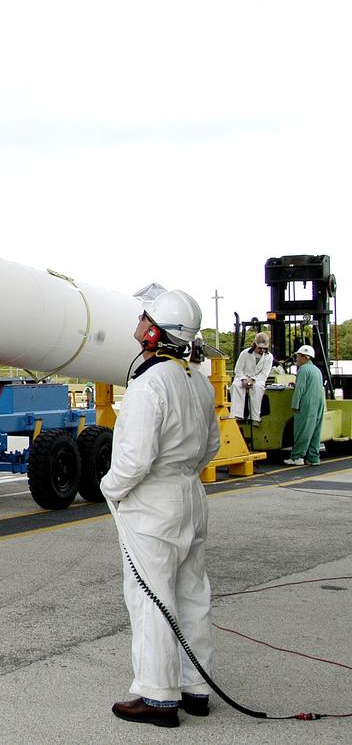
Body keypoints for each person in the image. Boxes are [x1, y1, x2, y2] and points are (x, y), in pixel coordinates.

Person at [101, 287, 220, 729]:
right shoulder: (199, 381)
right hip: (189, 496)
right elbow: (210, 445)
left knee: (151, 597)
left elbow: (133, 459)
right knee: (192, 594)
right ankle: (196, 688)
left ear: (153, 334)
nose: (138, 322)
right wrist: (181, 471)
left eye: (143, 317)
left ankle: (156, 696)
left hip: (153, 504)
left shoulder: (150, 383)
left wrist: (109, 487)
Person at [288, 344, 326, 467]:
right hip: (318, 403)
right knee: (315, 431)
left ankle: (297, 457)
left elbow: (300, 389)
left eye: (298, 357)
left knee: (302, 430)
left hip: (307, 404)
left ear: (304, 357)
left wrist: (295, 404)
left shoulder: (303, 370)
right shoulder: (316, 370)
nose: (296, 359)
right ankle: (314, 458)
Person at [229, 332, 273, 424]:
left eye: (264, 348)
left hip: (258, 380)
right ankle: (237, 415)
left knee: (257, 388)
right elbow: (238, 369)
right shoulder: (244, 353)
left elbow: (264, 373)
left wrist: (253, 380)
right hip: (243, 377)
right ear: (254, 345)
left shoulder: (269, 357)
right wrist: (244, 379)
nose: (261, 350)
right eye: (259, 348)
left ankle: (254, 417)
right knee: (236, 386)